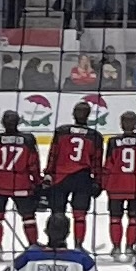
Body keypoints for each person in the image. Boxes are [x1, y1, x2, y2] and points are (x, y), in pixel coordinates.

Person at [0, 110, 42, 258]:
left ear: (2, 123)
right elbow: (33, 164)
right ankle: (33, 244)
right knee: (28, 217)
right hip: (21, 184)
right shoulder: (28, 140)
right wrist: (37, 182)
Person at [45, 101, 105, 248]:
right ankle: (78, 246)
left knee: (57, 213)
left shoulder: (61, 132)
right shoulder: (95, 136)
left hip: (60, 176)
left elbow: (53, 155)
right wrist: (98, 181)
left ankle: (56, 243)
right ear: (89, 116)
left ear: (73, 114)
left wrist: (48, 174)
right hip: (82, 177)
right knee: (80, 214)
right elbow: (97, 162)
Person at [102, 112, 136, 261]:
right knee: (134, 218)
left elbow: (108, 165)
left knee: (115, 218)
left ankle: (116, 247)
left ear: (121, 124)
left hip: (116, 186)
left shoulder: (113, 142)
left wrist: (104, 184)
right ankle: (130, 248)